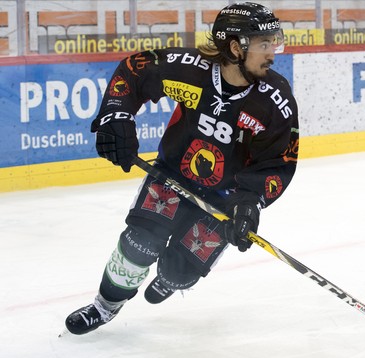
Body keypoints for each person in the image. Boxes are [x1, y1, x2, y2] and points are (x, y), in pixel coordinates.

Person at [65, 2, 299, 335]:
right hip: (172, 177)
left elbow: (279, 161)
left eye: (274, 41)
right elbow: (134, 69)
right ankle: (104, 306)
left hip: (224, 198)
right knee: (138, 245)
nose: (273, 52)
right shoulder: (191, 69)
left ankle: (170, 279)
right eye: (264, 43)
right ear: (235, 47)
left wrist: (250, 202)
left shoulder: (275, 99)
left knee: (180, 272)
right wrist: (116, 114)